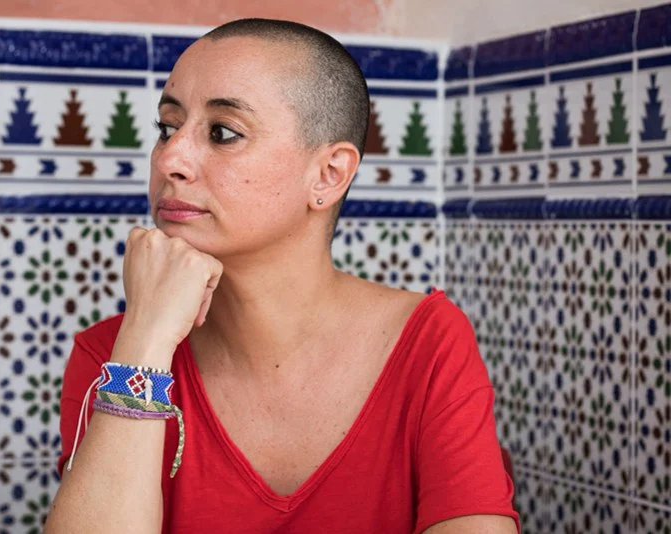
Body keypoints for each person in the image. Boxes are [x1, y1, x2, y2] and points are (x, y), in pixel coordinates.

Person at [45, 18, 519, 534]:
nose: (170, 159)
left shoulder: (428, 343)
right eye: (167, 128)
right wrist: (144, 342)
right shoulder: (114, 355)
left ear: (329, 175)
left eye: (223, 133)